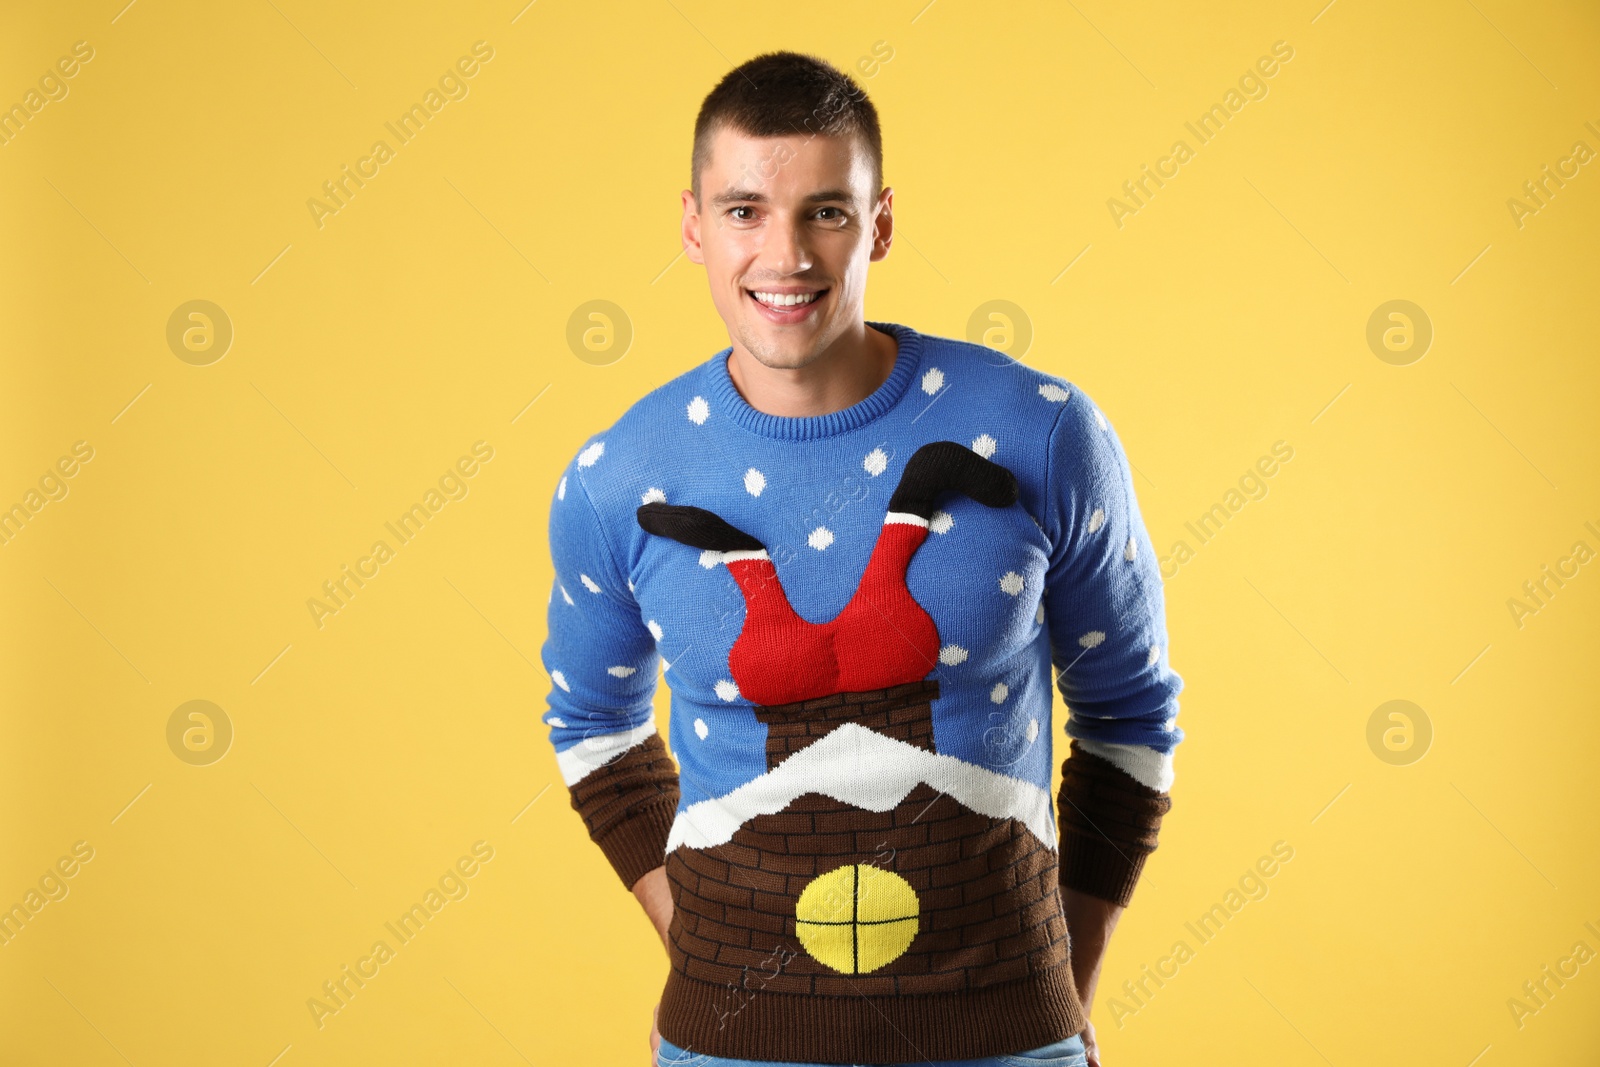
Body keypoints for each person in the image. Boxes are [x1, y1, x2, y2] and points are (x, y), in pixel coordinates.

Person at [539, 51, 1183, 1067]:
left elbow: (1129, 716)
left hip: (1011, 1041)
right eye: (745, 210)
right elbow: (590, 723)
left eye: (825, 212)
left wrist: (1064, 972)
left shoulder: (1041, 431)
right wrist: (697, 948)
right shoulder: (619, 476)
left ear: (878, 222)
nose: (785, 254)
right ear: (693, 226)